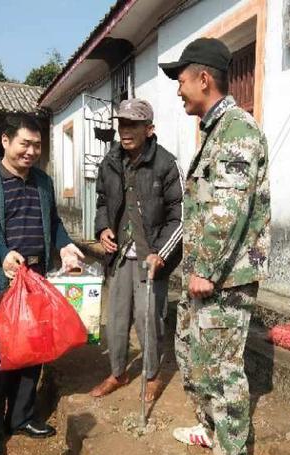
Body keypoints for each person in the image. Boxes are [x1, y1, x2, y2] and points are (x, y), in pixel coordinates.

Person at [159, 38, 271, 455]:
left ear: (204, 79)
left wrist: (204, 269)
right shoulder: (214, 130)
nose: (178, 90)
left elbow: (228, 208)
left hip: (223, 278)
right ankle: (209, 430)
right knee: (190, 355)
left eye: (182, 80)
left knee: (222, 372)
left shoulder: (238, 131)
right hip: (203, 275)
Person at [0, 114, 84, 455]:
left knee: (32, 352)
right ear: (6, 141)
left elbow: (55, 223)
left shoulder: (43, 182)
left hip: (36, 280)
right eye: (24, 144)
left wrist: (64, 245)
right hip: (0, 282)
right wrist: (1, 254)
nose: (31, 151)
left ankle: (22, 416)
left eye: (37, 145)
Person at [89, 98, 183, 402]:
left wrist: (161, 253)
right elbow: (102, 200)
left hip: (150, 256)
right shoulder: (110, 161)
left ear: (149, 129)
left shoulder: (166, 164)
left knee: (148, 319)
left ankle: (152, 375)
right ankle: (118, 373)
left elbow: (180, 216)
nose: (125, 130)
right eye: (122, 124)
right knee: (116, 320)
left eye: (133, 125)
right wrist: (103, 228)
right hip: (118, 255)